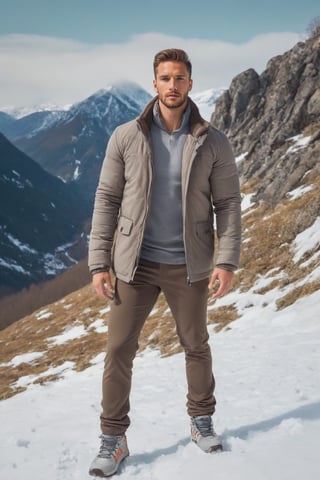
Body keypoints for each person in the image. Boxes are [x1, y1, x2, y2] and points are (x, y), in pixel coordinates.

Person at [88, 48, 241, 477]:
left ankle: (201, 420)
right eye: (165, 78)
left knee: (196, 343)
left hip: (190, 265)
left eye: (180, 78)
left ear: (190, 83)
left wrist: (226, 260)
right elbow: (107, 200)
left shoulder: (213, 140)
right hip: (133, 264)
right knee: (118, 349)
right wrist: (99, 262)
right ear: (153, 83)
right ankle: (113, 438)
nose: (172, 86)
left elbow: (228, 203)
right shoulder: (125, 136)